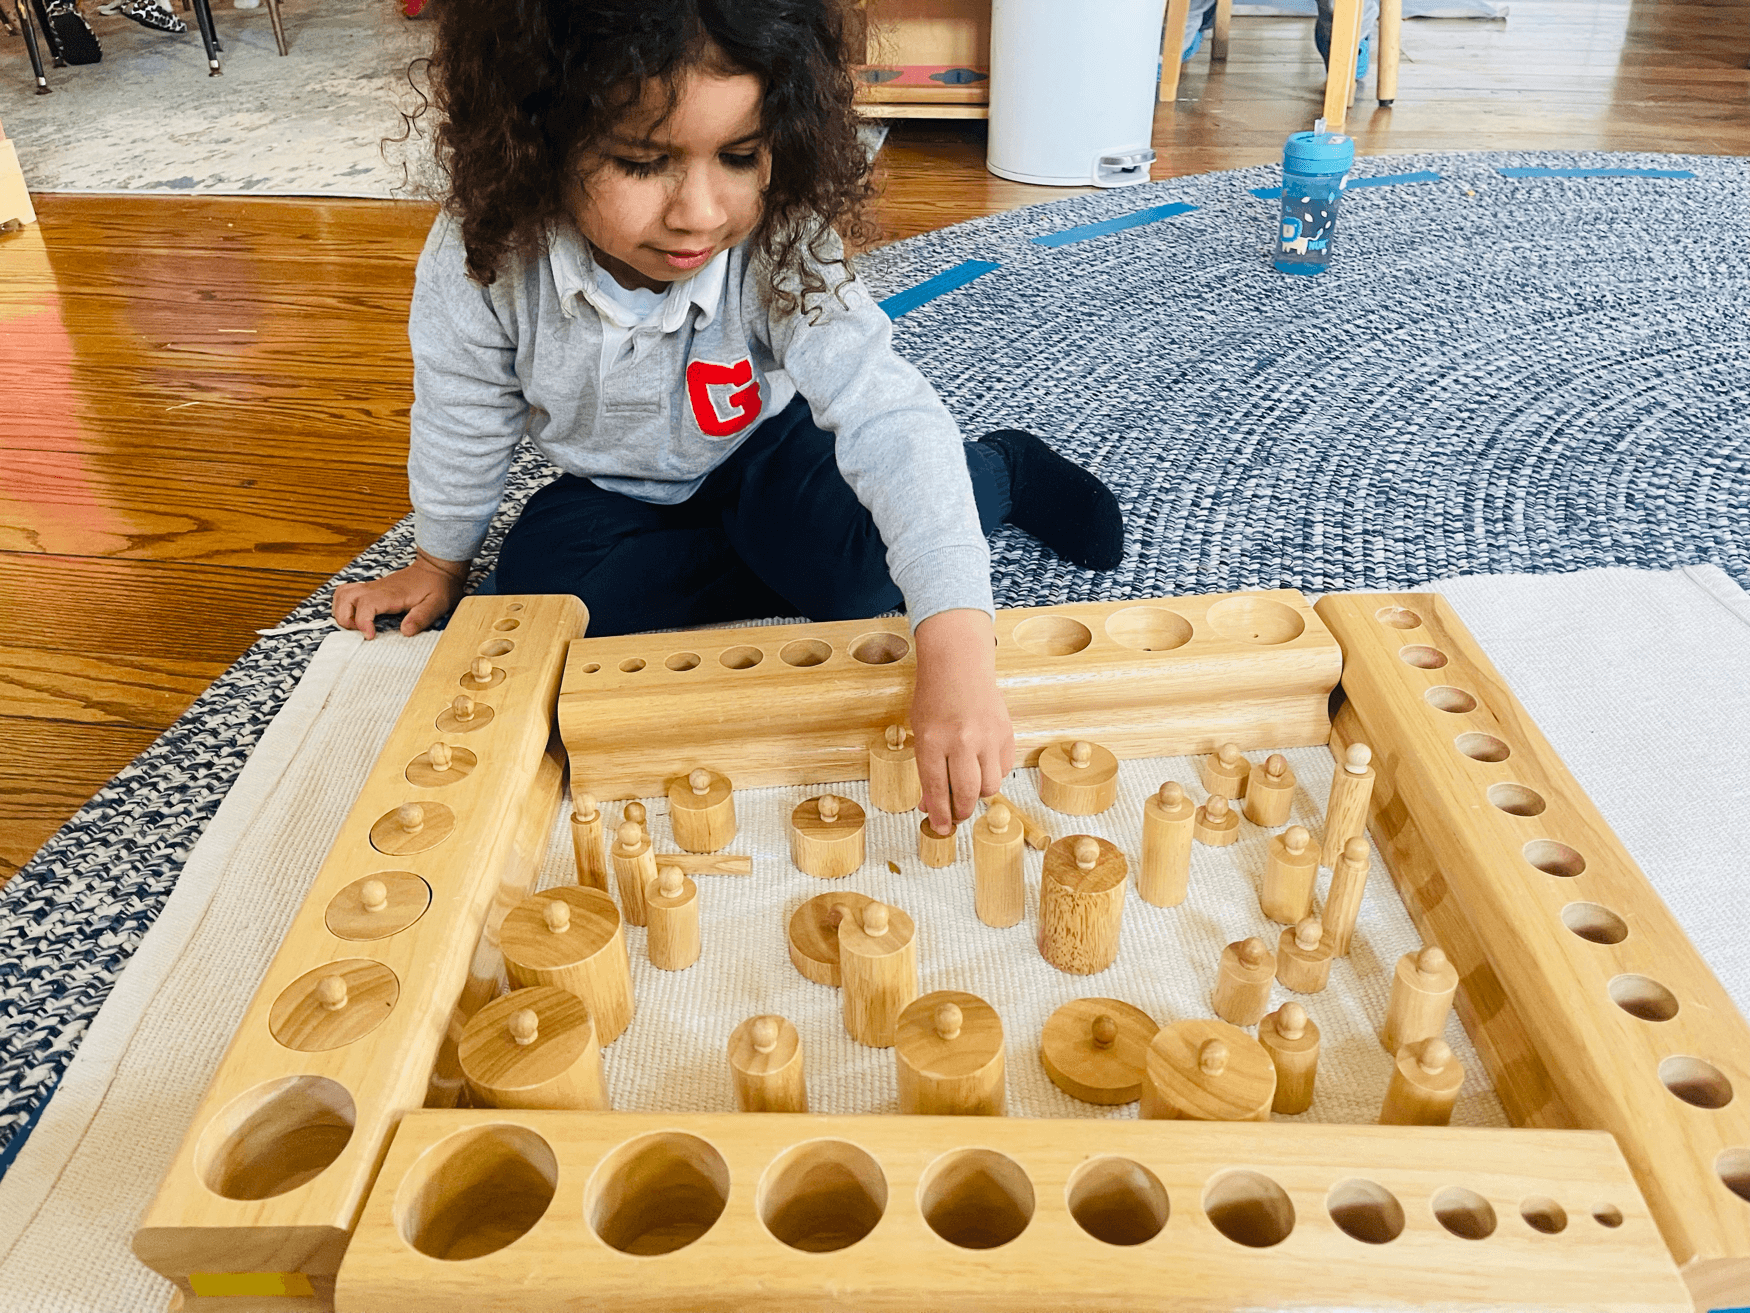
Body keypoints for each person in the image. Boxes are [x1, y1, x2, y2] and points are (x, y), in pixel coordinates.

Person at [331, 0, 1126, 832]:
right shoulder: (485, 252)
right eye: (643, 162)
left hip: (766, 452)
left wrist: (959, 654)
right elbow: (464, 408)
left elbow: (888, 415)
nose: (700, 214)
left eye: (741, 156)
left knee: (865, 576)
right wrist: (438, 560)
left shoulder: (782, 242)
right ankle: (768, 554)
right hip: (618, 486)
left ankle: (1001, 468)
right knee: (533, 600)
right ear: (539, 137)